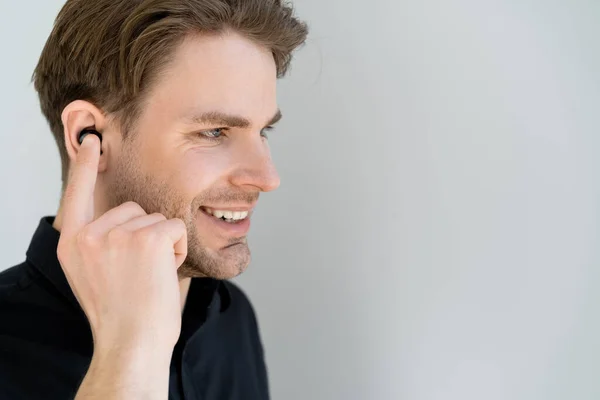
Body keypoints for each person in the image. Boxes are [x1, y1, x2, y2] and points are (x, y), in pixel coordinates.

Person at [0, 0, 308, 398]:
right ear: (88, 136)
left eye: (263, 132)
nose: (268, 178)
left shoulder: (230, 317)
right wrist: (129, 353)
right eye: (214, 132)